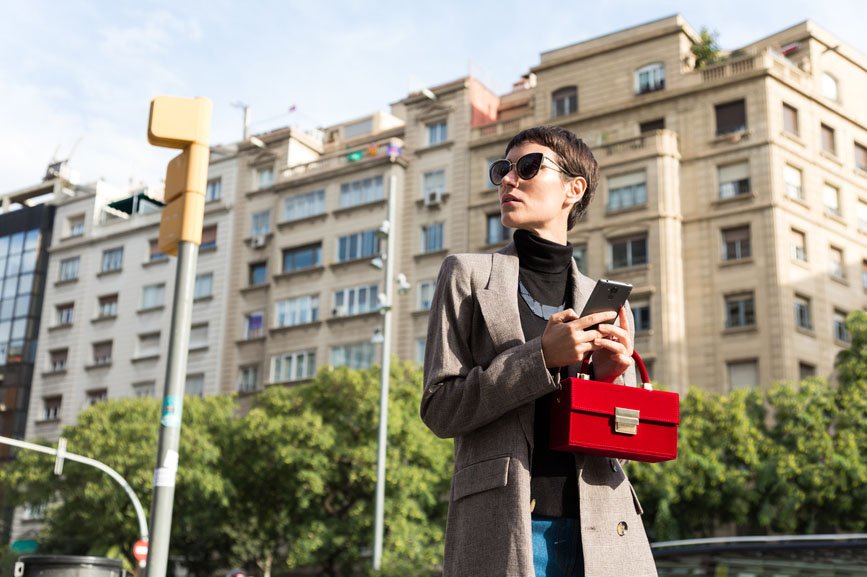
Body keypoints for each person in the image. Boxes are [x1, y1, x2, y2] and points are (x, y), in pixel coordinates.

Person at [421, 125, 657, 577]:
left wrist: (609, 379)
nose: (509, 180)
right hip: (507, 527)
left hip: (606, 528)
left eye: (527, 167)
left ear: (574, 189)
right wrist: (540, 358)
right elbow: (439, 408)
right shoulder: (466, 276)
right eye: (502, 170)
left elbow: (622, 447)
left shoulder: (607, 300)